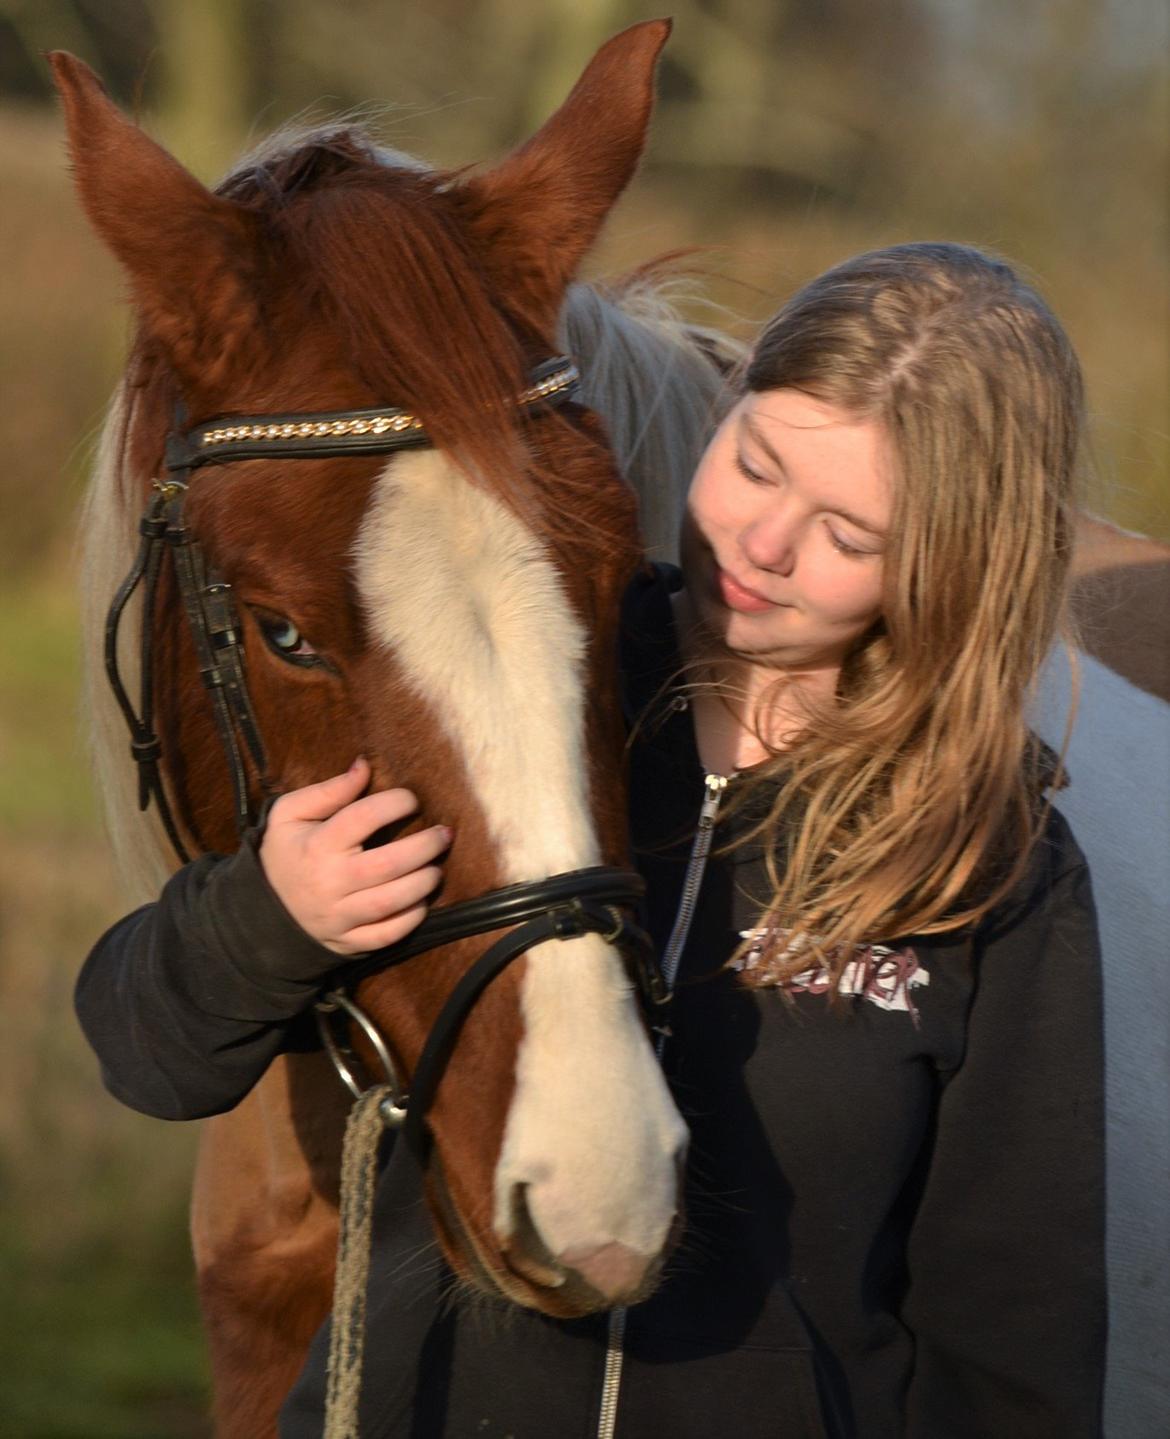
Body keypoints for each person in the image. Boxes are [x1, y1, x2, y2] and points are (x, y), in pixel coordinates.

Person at [75, 242, 1105, 1438]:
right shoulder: (519, 691)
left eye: (848, 532)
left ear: (957, 560)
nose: (763, 544)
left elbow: (1015, 1322)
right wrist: (269, 915)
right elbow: (150, 1052)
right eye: (755, 463)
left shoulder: (988, 858)